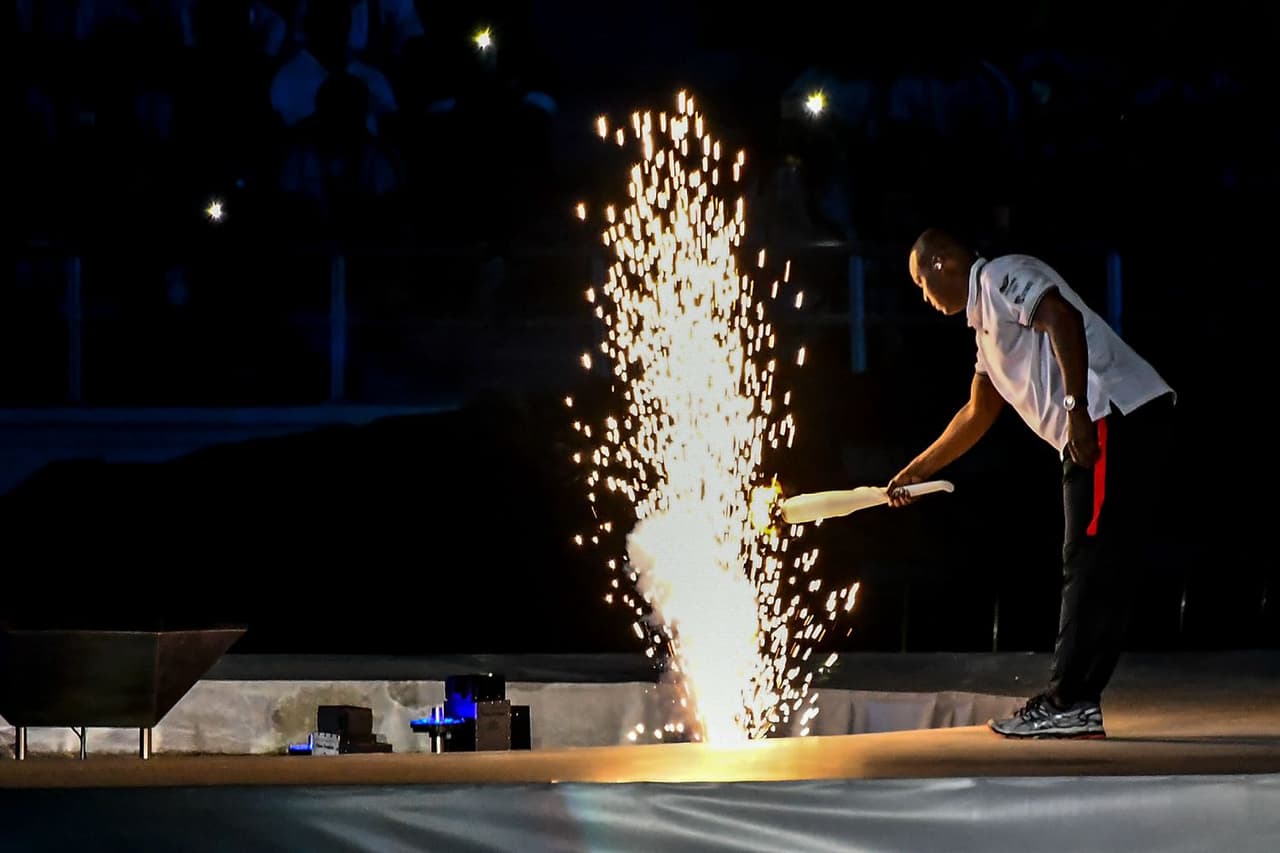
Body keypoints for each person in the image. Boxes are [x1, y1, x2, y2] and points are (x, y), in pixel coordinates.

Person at [887, 228, 1176, 738]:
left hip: (1110, 415)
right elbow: (978, 411)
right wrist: (917, 471)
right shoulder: (986, 331)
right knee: (1101, 563)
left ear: (940, 263)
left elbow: (1061, 318)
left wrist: (1078, 411)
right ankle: (1077, 701)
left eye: (920, 283)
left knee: (1088, 562)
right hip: (1104, 421)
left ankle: (1069, 701)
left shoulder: (1001, 275)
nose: (924, 298)